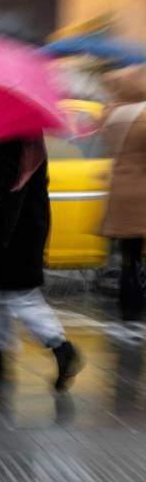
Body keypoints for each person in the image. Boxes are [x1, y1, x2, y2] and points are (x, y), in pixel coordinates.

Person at [0, 138, 83, 390]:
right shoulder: (21, 137)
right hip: (18, 224)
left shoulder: (13, 137)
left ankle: (62, 349)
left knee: (21, 296)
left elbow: (11, 187)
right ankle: (0, 360)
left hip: (16, 230)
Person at [100, 67, 146, 341]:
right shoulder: (143, 117)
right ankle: (135, 319)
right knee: (137, 259)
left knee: (125, 258)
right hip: (141, 193)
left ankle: (123, 317)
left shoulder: (111, 115)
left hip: (118, 192)